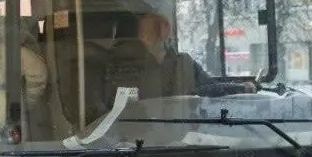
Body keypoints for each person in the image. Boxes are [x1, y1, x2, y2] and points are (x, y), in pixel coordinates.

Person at [109, 12, 257, 100]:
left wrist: (240, 88)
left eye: (158, 30)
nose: (153, 35)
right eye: (146, 32)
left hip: (182, 138)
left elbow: (209, 88)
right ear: (138, 36)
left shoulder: (184, 63)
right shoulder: (123, 66)